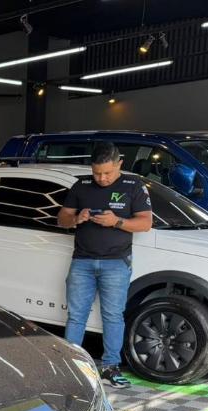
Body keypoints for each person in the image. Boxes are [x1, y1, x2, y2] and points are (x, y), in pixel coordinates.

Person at [57, 142, 153, 389]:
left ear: (119, 164)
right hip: (82, 261)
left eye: (107, 173)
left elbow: (145, 223)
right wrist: (76, 218)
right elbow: (62, 219)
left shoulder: (133, 185)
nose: (101, 178)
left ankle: (110, 368)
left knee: (113, 316)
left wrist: (116, 221)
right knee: (76, 316)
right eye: (96, 173)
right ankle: (74, 367)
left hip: (116, 263)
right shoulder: (81, 185)